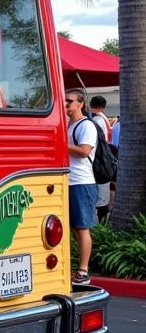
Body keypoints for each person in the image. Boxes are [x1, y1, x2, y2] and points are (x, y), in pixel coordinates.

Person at [65, 89, 97, 284]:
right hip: (67, 182)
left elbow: (84, 151)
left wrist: (61, 142)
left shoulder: (87, 126)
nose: (66, 104)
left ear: (80, 104)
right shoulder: (68, 125)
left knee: (81, 227)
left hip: (82, 182)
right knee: (69, 228)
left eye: (69, 101)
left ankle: (83, 271)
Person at [89, 96, 112, 224]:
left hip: (99, 160)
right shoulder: (104, 119)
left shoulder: (96, 120)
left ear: (91, 104)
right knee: (103, 194)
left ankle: (101, 224)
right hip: (105, 158)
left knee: (100, 197)